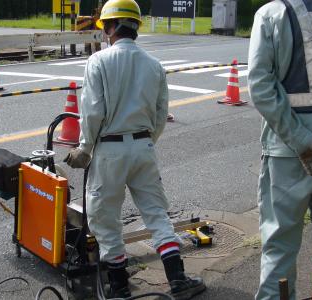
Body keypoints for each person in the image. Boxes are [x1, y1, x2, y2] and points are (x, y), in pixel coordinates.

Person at [64, 0, 206, 298]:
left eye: (105, 26)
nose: (104, 32)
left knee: (106, 219)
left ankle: (118, 289)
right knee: (156, 214)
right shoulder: (153, 65)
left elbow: (92, 111)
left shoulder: (98, 62)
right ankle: (178, 280)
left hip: (109, 151)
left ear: (112, 27)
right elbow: (160, 112)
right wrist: (146, 143)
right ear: (135, 27)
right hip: (143, 147)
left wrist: (85, 149)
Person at [248, 0, 312, 299]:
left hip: (287, 155)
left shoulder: (271, 14)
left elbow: (261, 88)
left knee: (279, 248)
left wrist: (301, 141)